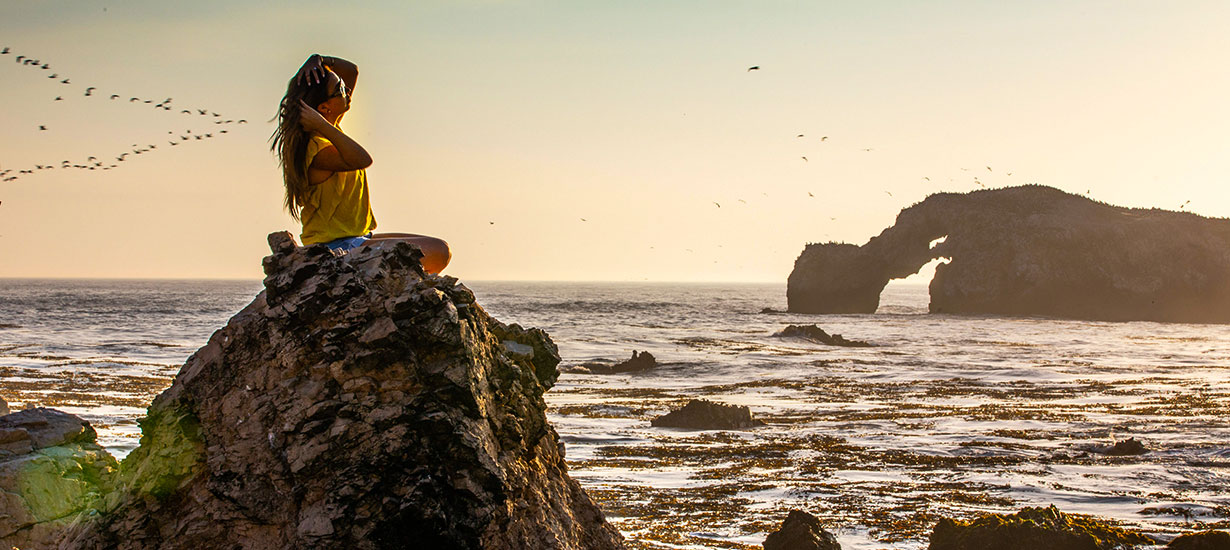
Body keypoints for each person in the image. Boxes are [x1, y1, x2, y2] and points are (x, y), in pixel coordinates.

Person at [270, 54, 451, 274]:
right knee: (437, 250)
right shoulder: (316, 148)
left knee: (438, 247)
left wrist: (318, 59)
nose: (347, 92)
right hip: (333, 248)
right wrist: (323, 125)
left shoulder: (330, 132)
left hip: (356, 239)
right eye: (340, 90)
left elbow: (351, 71)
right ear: (325, 108)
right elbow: (363, 160)